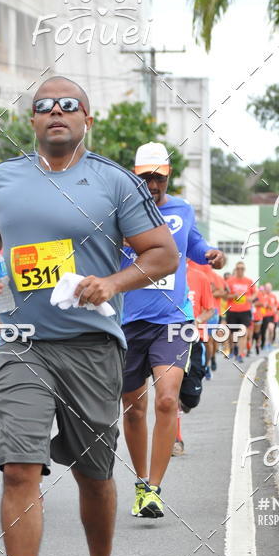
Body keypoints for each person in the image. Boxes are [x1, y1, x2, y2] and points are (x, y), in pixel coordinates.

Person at [0, 78, 179, 556]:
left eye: (68, 106)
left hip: (91, 346)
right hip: (22, 344)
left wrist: (111, 281)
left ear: (87, 117)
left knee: (93, 476)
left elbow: (162, 254)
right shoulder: (2, 179)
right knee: (19, 467)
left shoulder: (114, 182)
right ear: (32, 120)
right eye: (43, 106)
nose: (55, 112)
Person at [119, 142, 225, 518]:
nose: (151, 185)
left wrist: (211, 252)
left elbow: (193, 245)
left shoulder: (182, 210)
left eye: (158, 177)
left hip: (173, 321)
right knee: (133, 409)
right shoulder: (119, 211)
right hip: (128, 322)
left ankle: (153, 489)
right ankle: (139, 480)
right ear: (135, 176)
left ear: (168, 176)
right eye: (144, 177)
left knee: (166, 399)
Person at [224, 261, 256, 362]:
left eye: (242, 268)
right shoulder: (230, 281)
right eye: (238, 268)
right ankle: (234, 348)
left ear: (244, 270)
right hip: (232, 310)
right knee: (233, 333)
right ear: (235, 269)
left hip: (245, 310)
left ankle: (241, 354)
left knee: (244, 332)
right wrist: (233, 296)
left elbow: (255, 293)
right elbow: (225, 296)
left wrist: (251, 298)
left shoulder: (249, 281)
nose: (240, 270)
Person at [260, 282, 277, 350]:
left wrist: (275, 309)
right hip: (265, 315)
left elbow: (276, 304)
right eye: (267, 288)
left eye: (270, 287)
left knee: (271, 329)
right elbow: (264, 305)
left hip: (272, 315)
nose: (268, 289)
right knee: (265, 330)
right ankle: (265, 344)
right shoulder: (263, 295)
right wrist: (269, 306)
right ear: (265, 288)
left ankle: (270, 343)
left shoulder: (273, 296)